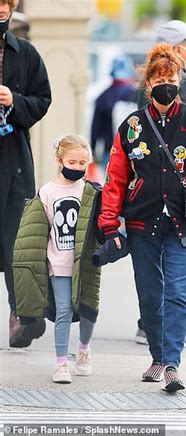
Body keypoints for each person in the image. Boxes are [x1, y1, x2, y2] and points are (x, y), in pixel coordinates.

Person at [98, 43, 186, 393]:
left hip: (184, 223)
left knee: (176, 293)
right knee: (150, 295)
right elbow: (116, 178)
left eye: (171, 77)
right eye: (159, 78)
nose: (165, 84)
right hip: (141, 222)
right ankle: (157, 357)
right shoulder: (132, 125)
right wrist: (109, 224)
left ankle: (172, 364)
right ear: (148, 83)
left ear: (178, 80)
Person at [134, 21, 186, 348]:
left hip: (164, 193)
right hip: (167, 194)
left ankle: (162, 326)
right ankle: (165, 330)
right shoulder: (174, 87)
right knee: (168, 270)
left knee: (165, 270)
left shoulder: (176, 83)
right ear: (176, 48)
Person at [12, 134, 102, 383]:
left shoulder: (90, 192)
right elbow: (37, 231)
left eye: (82, 163)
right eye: (72, 162)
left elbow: (102, 225)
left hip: (85, 263)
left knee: (88, 310)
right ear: (59, 160)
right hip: (57, 262)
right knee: (63, 311)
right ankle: (61, 363)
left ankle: (83, 349)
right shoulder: (47, 192)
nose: (77, 167)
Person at [0, 0, 52, 348]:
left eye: (8, 2)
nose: (3, 8)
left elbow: (42, 99)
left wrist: (13, 101)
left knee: (16, 240)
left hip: (12, 159)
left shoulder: (25, 53)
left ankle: (23, 315)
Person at [91, 54, 137, 167]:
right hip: (137, 150)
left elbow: (95, 129)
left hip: (111, 151)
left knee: (111, 183)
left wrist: (92, 152)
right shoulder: (138, 94)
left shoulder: (103, 96)